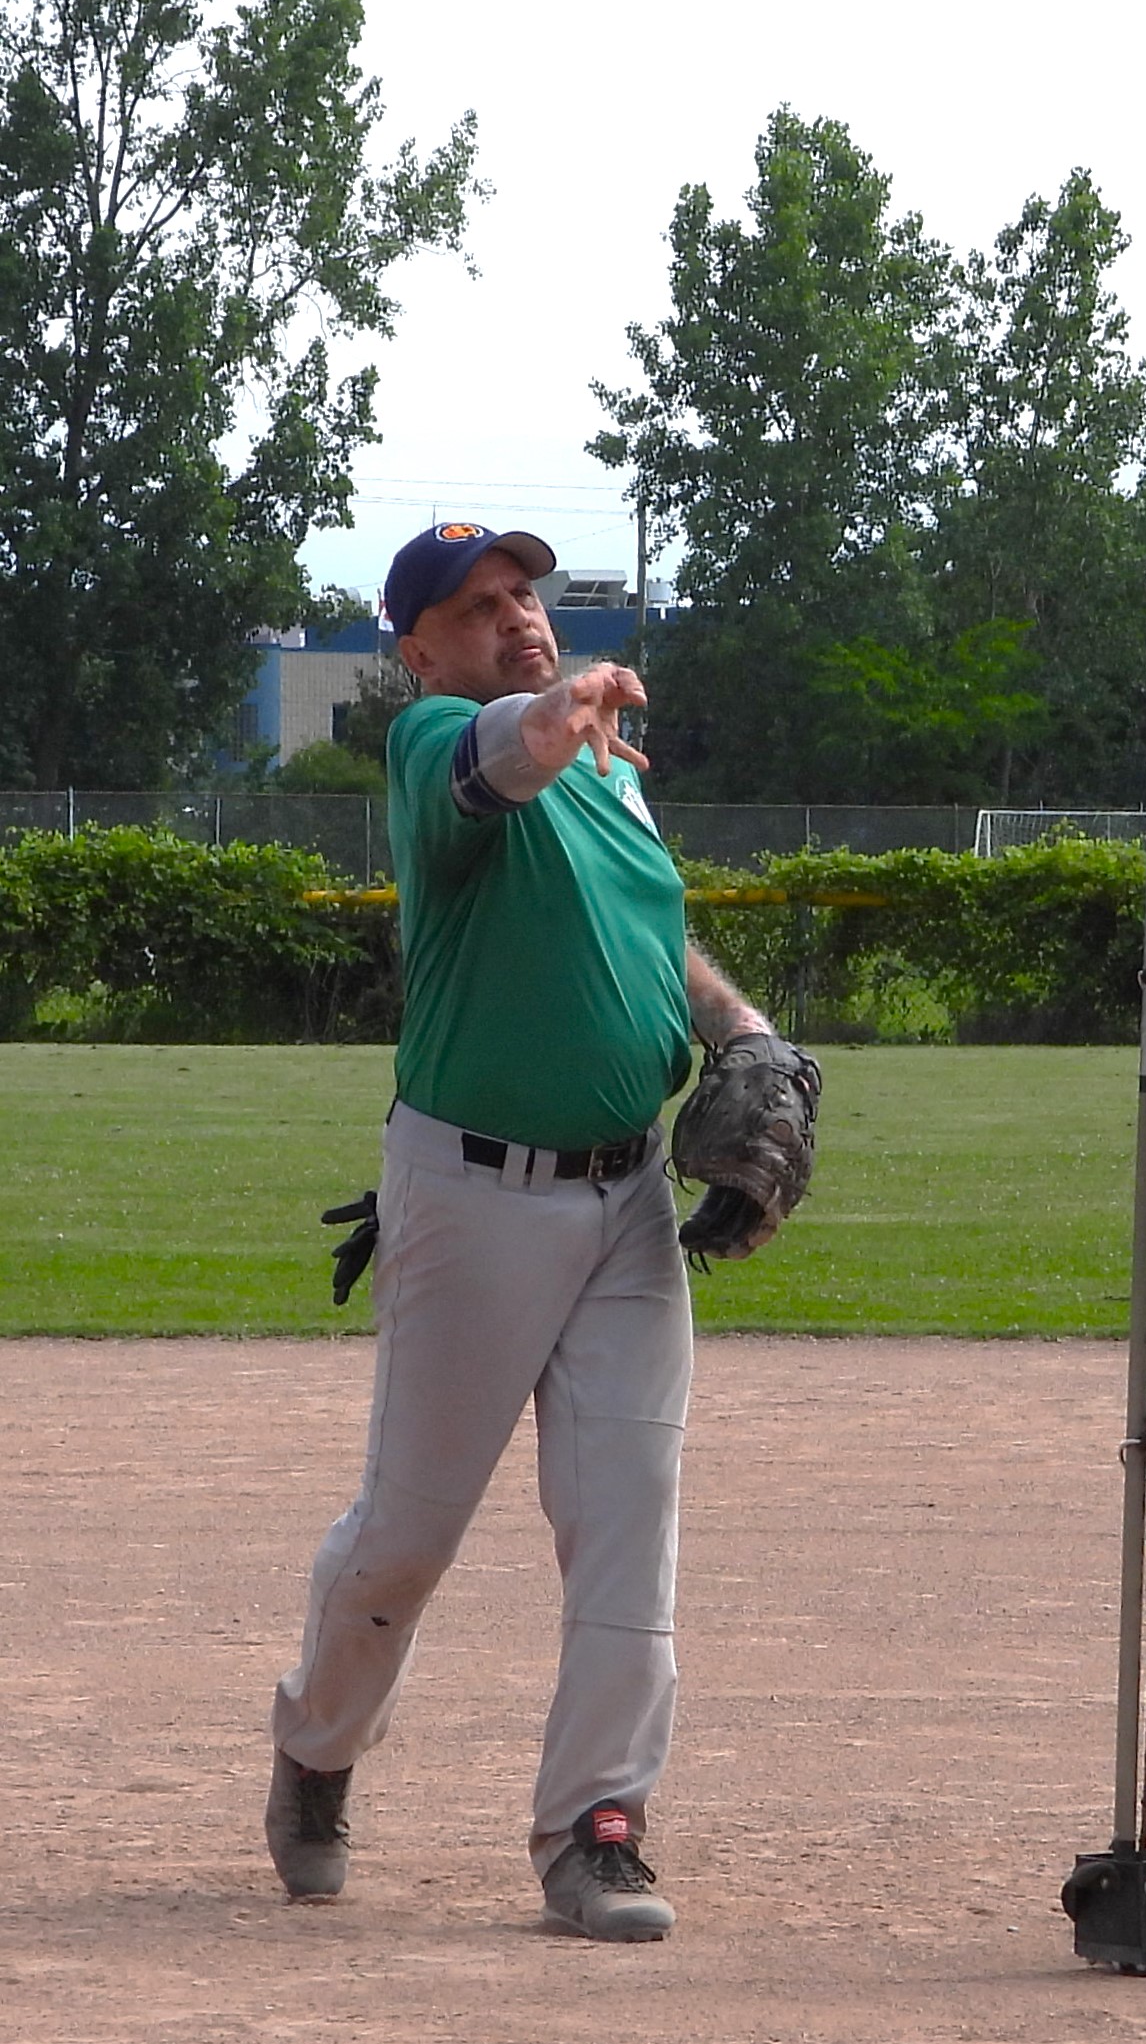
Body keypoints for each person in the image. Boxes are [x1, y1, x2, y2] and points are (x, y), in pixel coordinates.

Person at [266, 521, 770, 1940]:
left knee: (626, 1520)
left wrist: (742, 1028)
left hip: (627, 1204)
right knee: (408, 1533)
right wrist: (559, 710)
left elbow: (647, 938)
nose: (518, 615)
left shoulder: (609, 771)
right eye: (480, 604)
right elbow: (506, 754)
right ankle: (318, 1746)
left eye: (525, 593)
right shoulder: (433, 742)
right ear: (419, 650)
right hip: (474, 1197)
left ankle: (597, 1830)